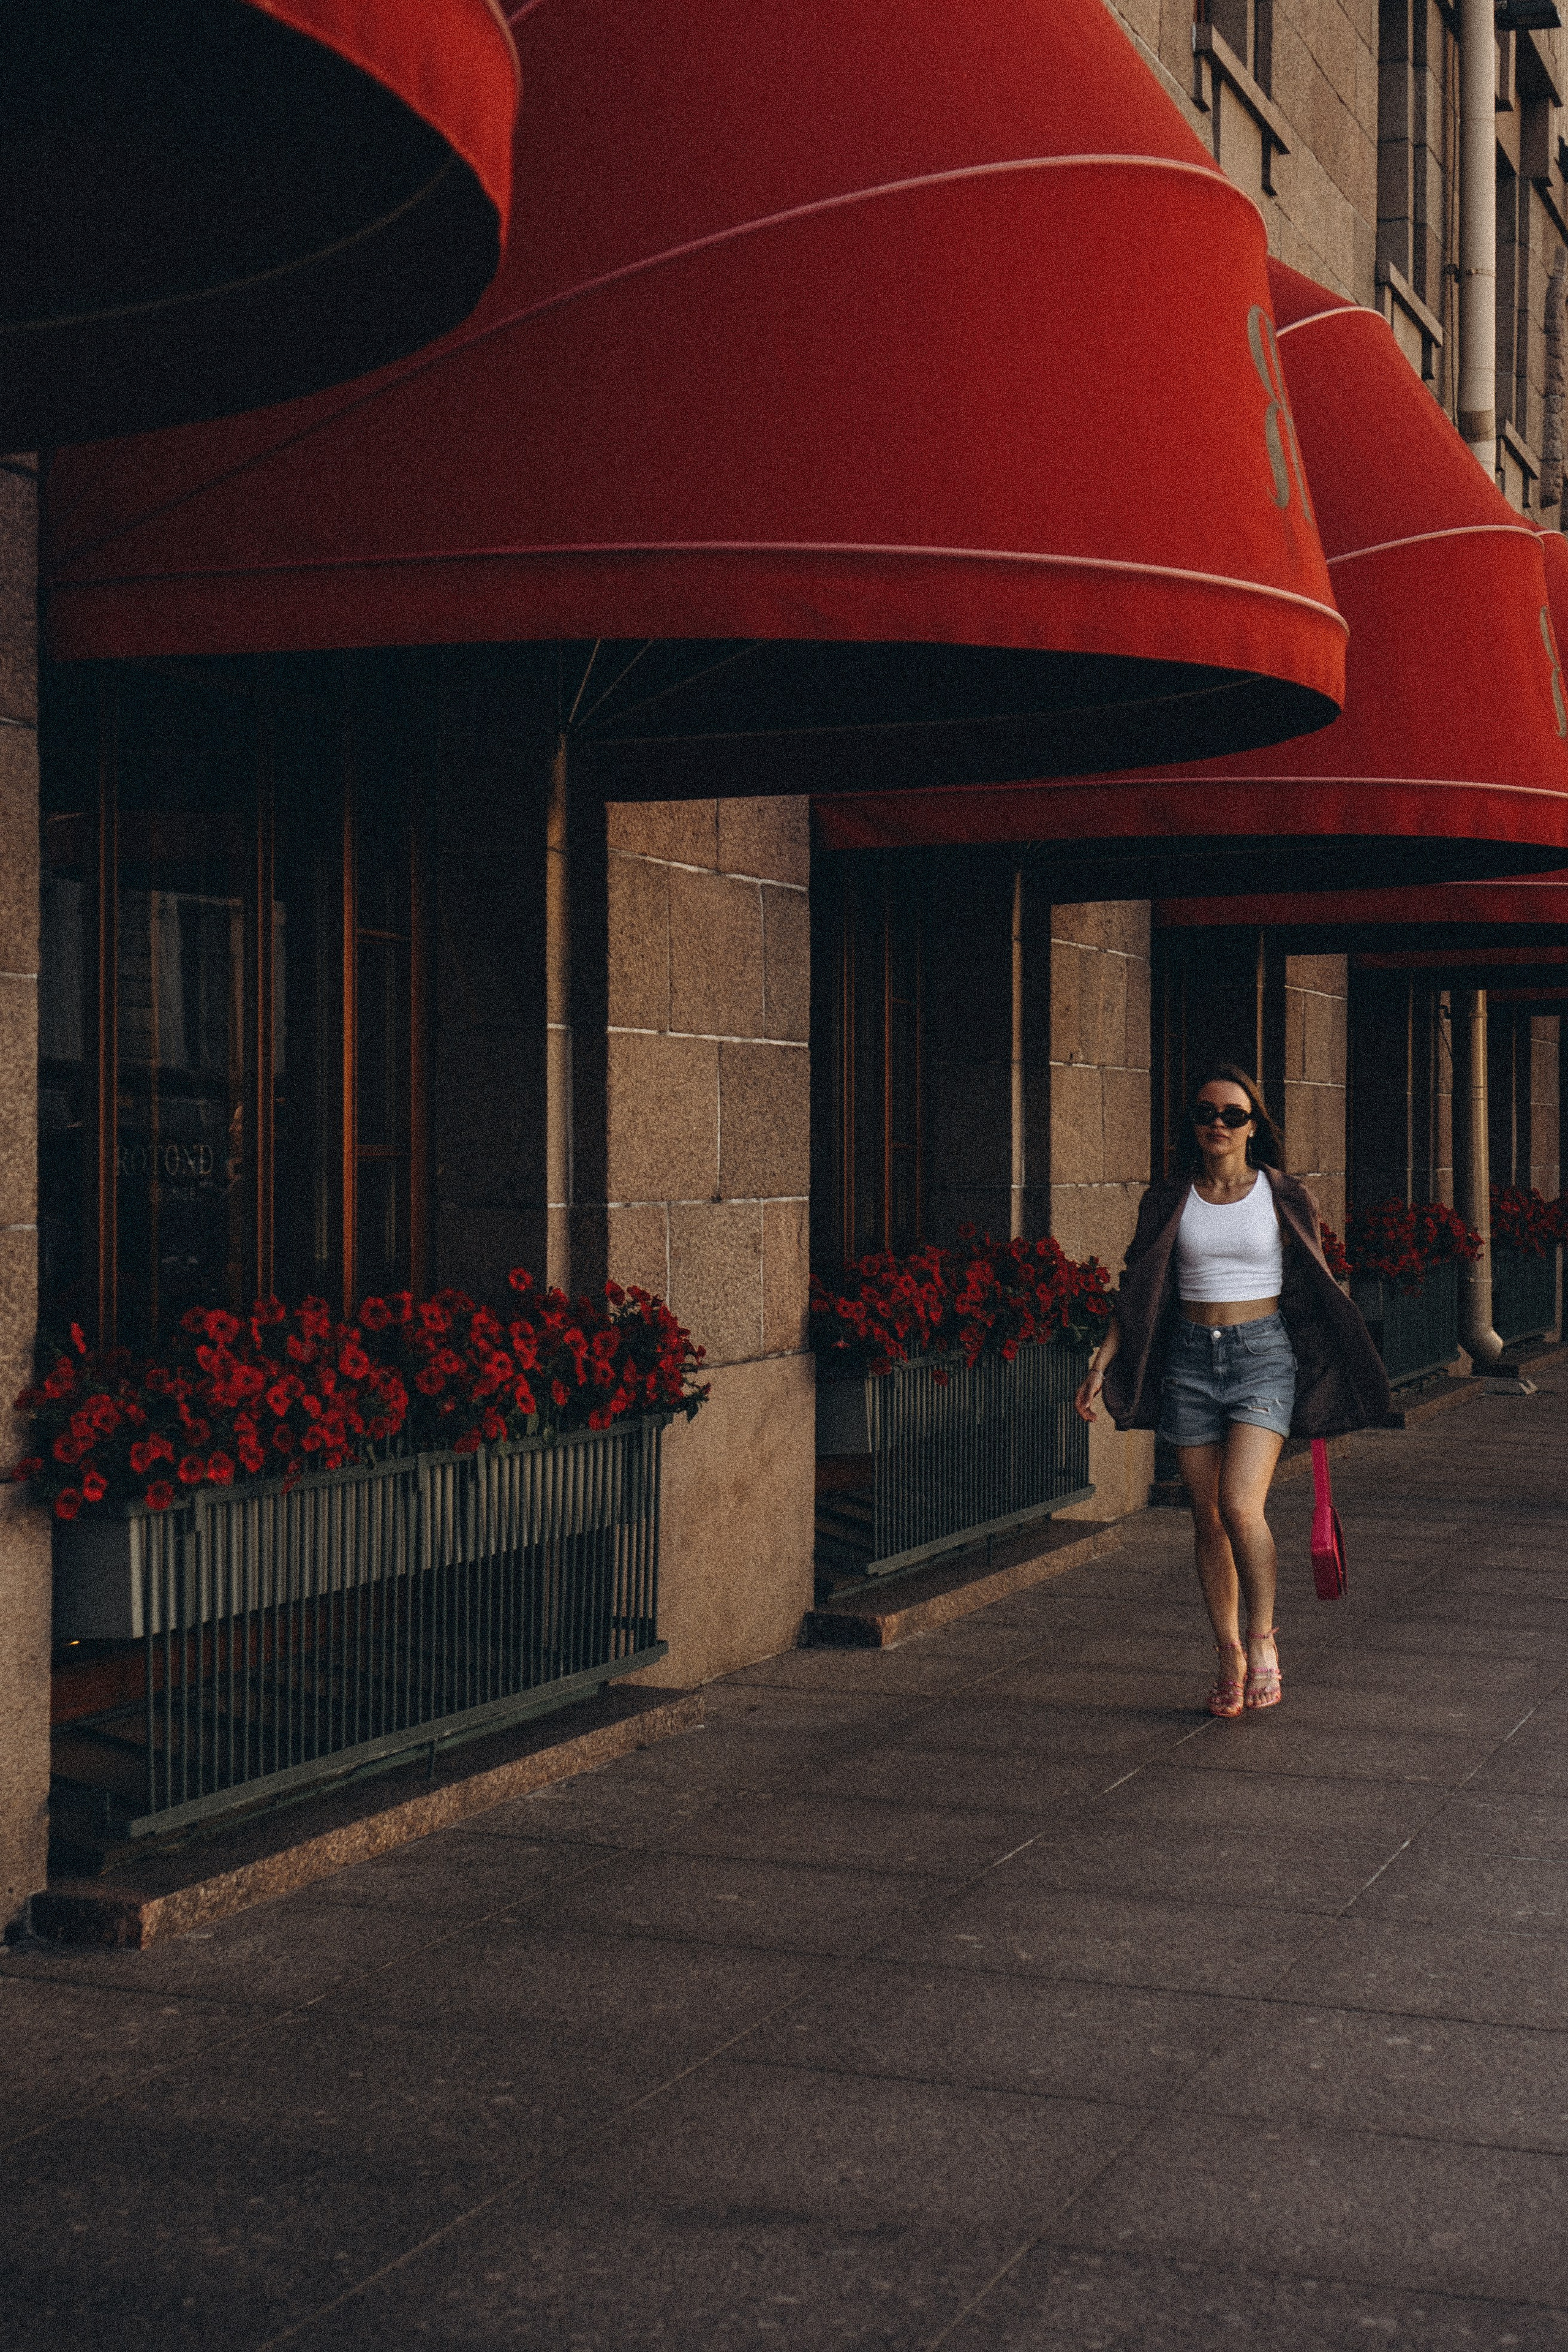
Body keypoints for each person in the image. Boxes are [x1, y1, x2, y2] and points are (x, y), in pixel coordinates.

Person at [1074, 1065, 1390, 1717]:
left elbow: (1317, 1282)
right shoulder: (1168, 1199)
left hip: (1263, 1359)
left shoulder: (1282, 1195)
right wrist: (1102, 1363)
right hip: (1189, 1362)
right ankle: (1227, 1653)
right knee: (1208, 1518)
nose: (1216, 1124)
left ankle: (1263, 1639)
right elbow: (1137, 1290)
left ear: (1253, 1126)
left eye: (1231, 1114)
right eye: (1205, 1112)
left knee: (1240, 1506)